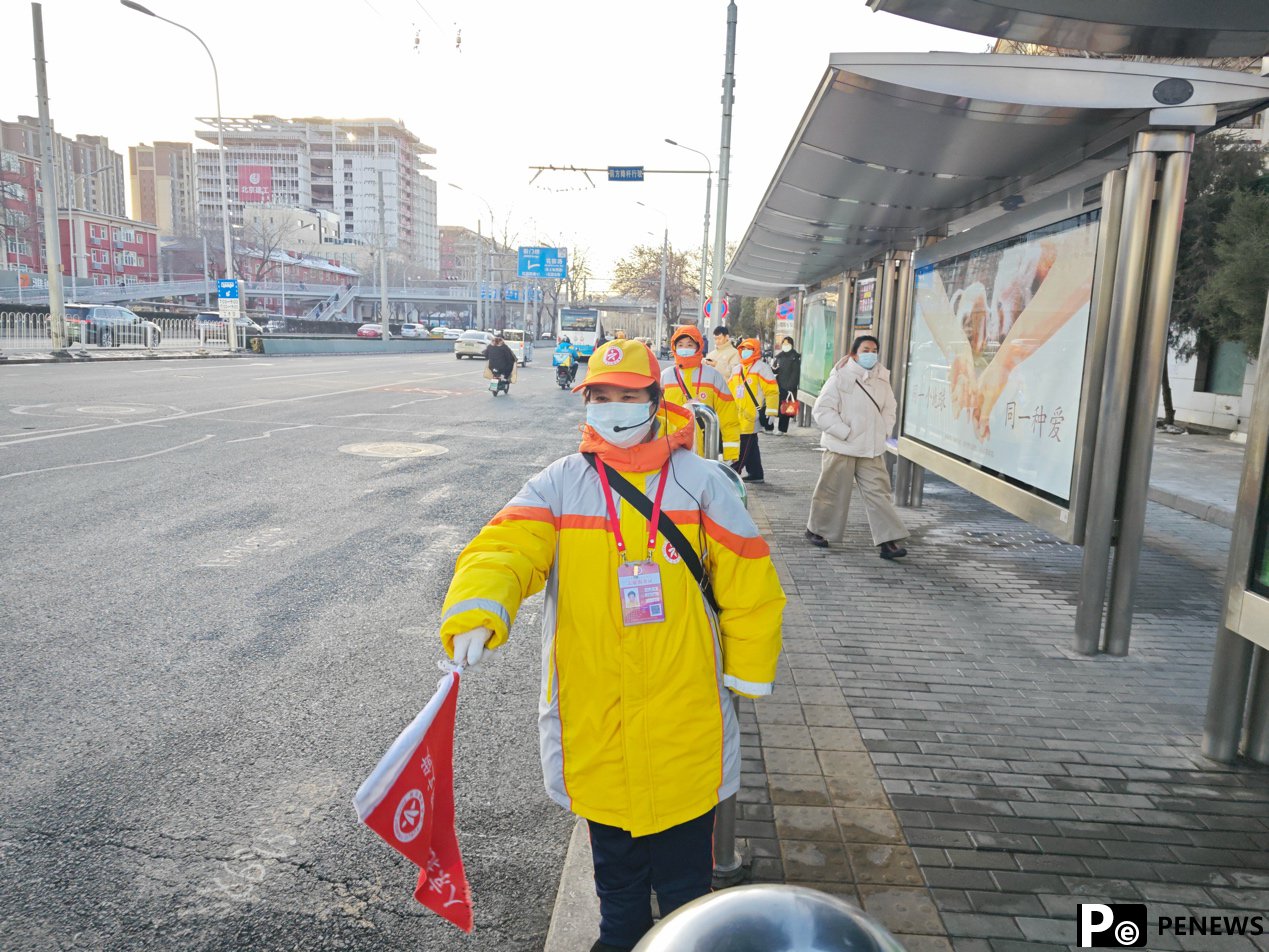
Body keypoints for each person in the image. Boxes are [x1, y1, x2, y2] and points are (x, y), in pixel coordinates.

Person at [439, 339, 784, 952]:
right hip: (595, 709)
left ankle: (685, 937)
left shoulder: (703, 482)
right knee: (617, 875)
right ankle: (620, 937)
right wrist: (478, 606)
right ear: (587, 401)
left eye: (629, 396)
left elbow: (749, 579)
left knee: (685, 882)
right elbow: (504, 549)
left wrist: (750, 670)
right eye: (602, 396)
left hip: (687, 711)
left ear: (656, 400)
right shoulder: (560, 484)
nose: (615, 408)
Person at [805, 335, 909, 560]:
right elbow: (822, 410)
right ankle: (817, 530)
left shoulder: (882, 379)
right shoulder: (840, 377)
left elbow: (890, 408)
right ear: (854, 353)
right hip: (842, 447)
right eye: (865, 349)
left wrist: (882, 430)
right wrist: (845, 432)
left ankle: (888, 541)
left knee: (879, 494)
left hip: (871, 450)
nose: (870, 354)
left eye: (874, 350)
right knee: (831, 492)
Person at [660, 325, 740, 462]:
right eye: (680, 344)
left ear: (698, 346)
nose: (684, 348)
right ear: (674, 347)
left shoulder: (713, 376)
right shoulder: (665, 377)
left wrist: (730, 453)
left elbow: (728, 416)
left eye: (689, 344)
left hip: (705, 451)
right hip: (671, 451)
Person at [728, 337, 779, 485]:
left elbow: (772, 391)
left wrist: (771, 411)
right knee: (751, 445)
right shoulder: (737, 369)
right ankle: (756, 473)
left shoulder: (761, 368)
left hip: (752, 416)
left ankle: (734, 471)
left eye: (749, 349)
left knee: (744, 445)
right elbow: (729, 390)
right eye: (743, 349)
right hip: (738, 415)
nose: (745, 352)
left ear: (756, 351)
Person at [771, 336, 802, 434]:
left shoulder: (795, 357)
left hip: (789, 388)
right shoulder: (779, 356)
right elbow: (775, 369)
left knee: (786, 409)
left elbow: (795, 374)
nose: (785, 346)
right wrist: (774, 369)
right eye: (783, 344)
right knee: (779, 408)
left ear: (791, 345)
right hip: (779, 385)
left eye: (787, 344)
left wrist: (790, 386)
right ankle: (775, 427)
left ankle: (782, 429)